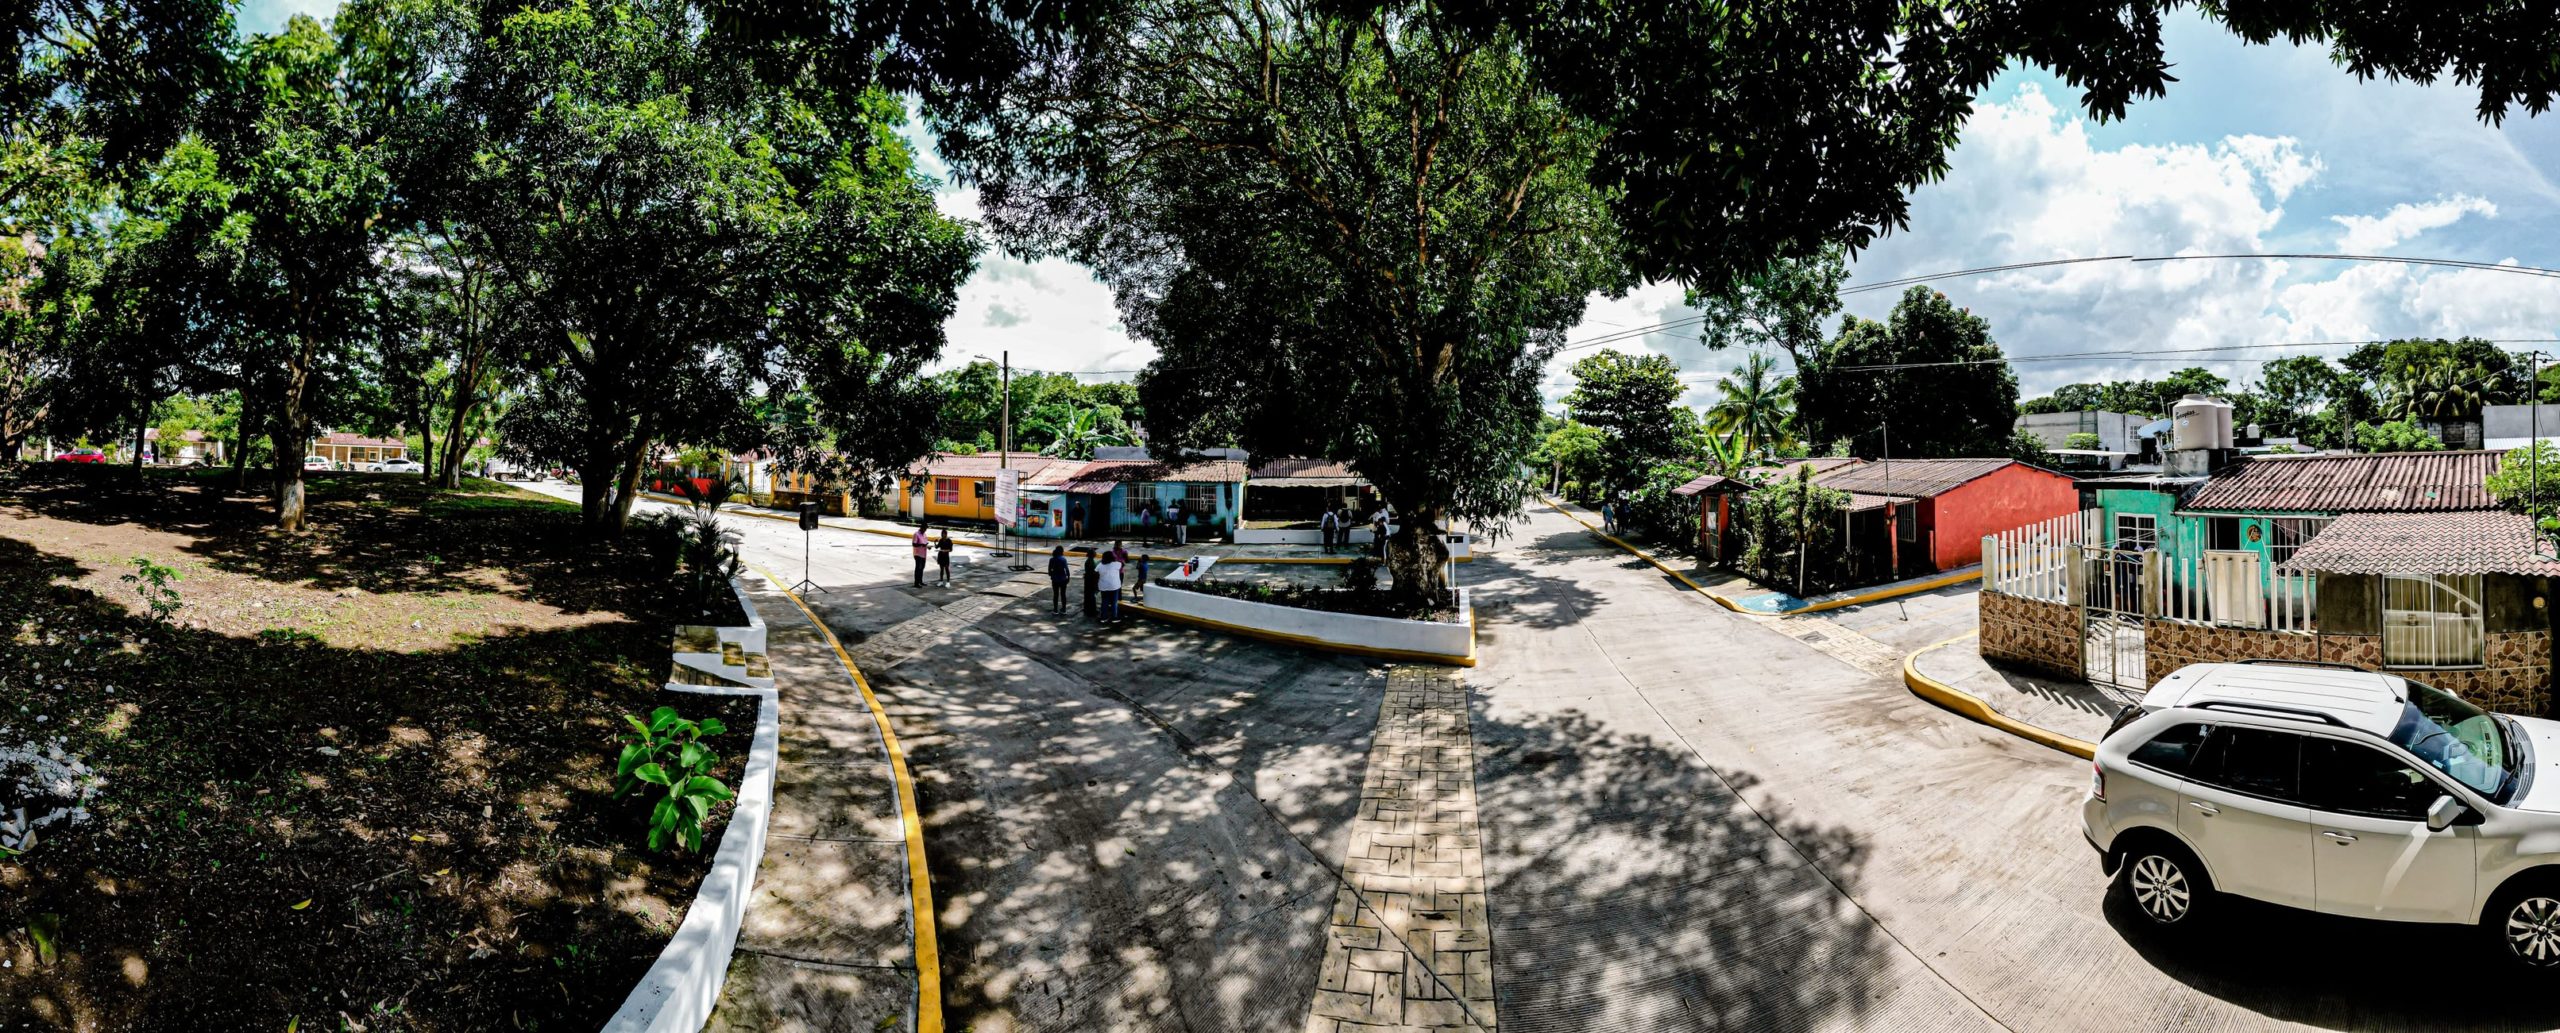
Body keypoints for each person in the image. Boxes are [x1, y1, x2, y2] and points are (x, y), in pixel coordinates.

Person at [1097, 548, 1124, 622]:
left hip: (1103, 586)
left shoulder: (1100, 565)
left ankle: (1104, 617)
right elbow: (1122, 564)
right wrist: (1116, 558)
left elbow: (1095, 571)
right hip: (1114, 586)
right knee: (1114, 602)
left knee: (1104, 602)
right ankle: (1114, 617)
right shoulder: (1117, 564)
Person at [1047, 546, 1070, 614]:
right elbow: (1067, 569)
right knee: (1063, 594)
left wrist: (1051, 575)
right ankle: (1064, 610)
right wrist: (1068, 577)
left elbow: (1049, 570)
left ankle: (1055, 610)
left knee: (1055, 594)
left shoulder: (1052, 559)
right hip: (1063, 579)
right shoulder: (1063, 559)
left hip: (1055, 579)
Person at [1082, 548, 1099, 618]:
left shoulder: (1088, 561)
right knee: (1092, 595)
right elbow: (1094, 572)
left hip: (1088, 579)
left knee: (1087, 594)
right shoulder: (1092, 562)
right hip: (1092, 580)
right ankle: (1092, 610)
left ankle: (1087, 608)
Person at [911, 522, 929, 587]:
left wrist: (927, 546)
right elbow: (914, 544)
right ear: (921, 528)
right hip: (917, 554)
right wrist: (921, 545)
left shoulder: (925, 535)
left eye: (926, 529)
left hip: (923, 554)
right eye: (924, 529)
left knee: (922, 568)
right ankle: (916, 583)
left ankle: (920, 581)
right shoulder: (916, 534)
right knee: (918, 568)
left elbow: (925, 543)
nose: (925, 530)